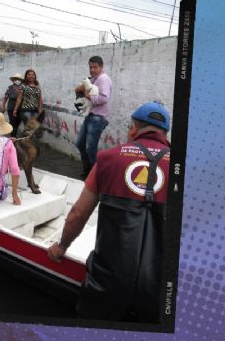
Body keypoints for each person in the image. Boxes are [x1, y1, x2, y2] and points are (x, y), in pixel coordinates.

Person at [47, 102, 171, 323]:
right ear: (165, 133)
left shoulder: (107, 158)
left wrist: (62, 246)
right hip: (160, 289)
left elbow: (78, 213)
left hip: (108, 283)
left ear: (133, 128)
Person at [74, 56, 113, 178]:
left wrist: (88, 96)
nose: (92, 69)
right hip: (91, 115)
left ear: (102, 67)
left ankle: (95, 176)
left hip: (98, 118)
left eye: (95, 67)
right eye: (90, 67)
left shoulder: (103, 79)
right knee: (80, 144)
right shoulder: (93, 79)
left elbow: (104, 98)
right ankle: (87, 171)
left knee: (90, 148)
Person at [2, 73, 24, 137]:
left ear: (21, 80)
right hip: (11, 108)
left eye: (18, 79)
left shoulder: (23, 88)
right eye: (16, 79)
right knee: (12, 122)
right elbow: (5, 98)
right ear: (13, 80)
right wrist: (3, 106)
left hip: (20, 109)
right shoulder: (10, 88)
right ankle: (12, 136)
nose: (17, 80)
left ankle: (14, 135)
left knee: (18, 123)